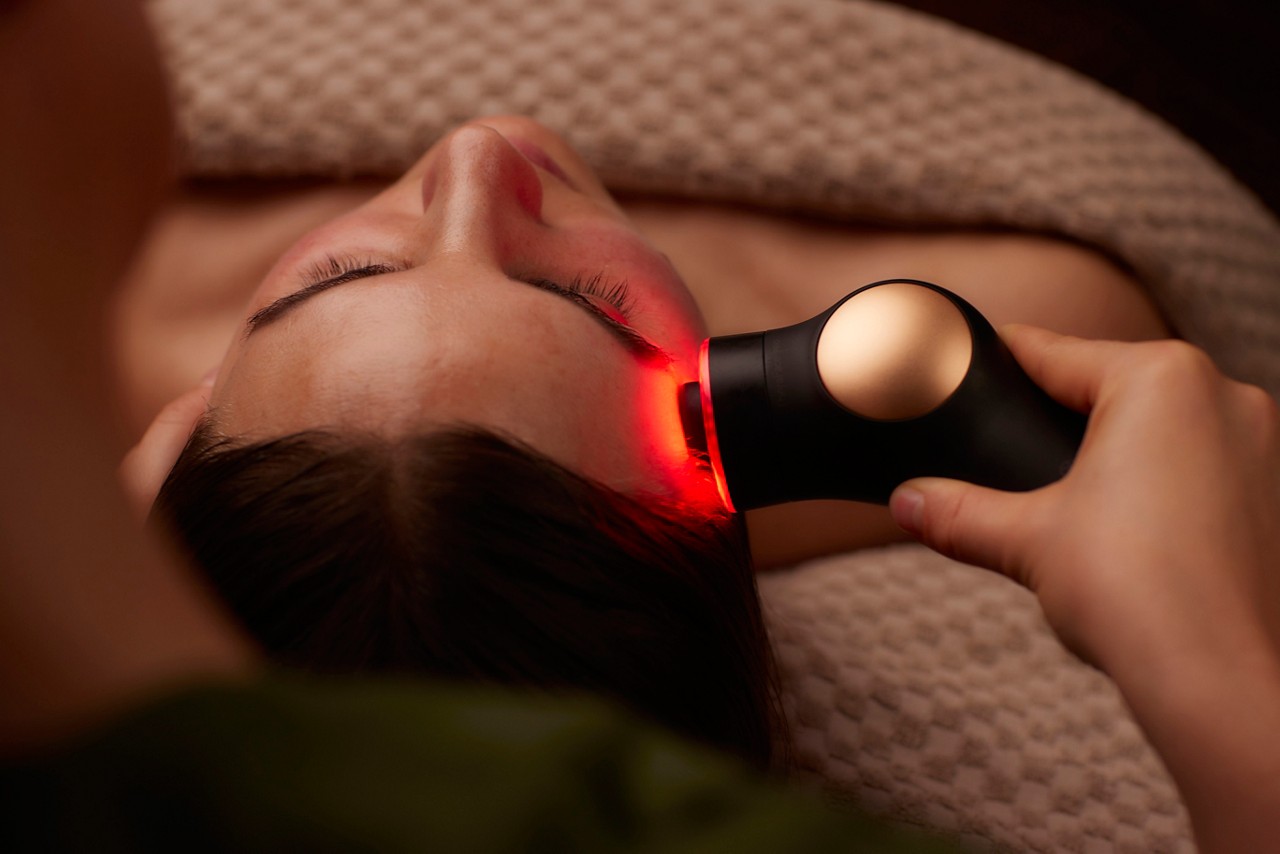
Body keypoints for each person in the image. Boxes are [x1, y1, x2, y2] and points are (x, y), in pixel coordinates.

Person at [5, 1, 1280, 851]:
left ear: (167, 449)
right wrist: (1203, 653)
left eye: (331, 279)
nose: (473, 156)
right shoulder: (1061, 309)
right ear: (720, 474)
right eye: (590, 303)